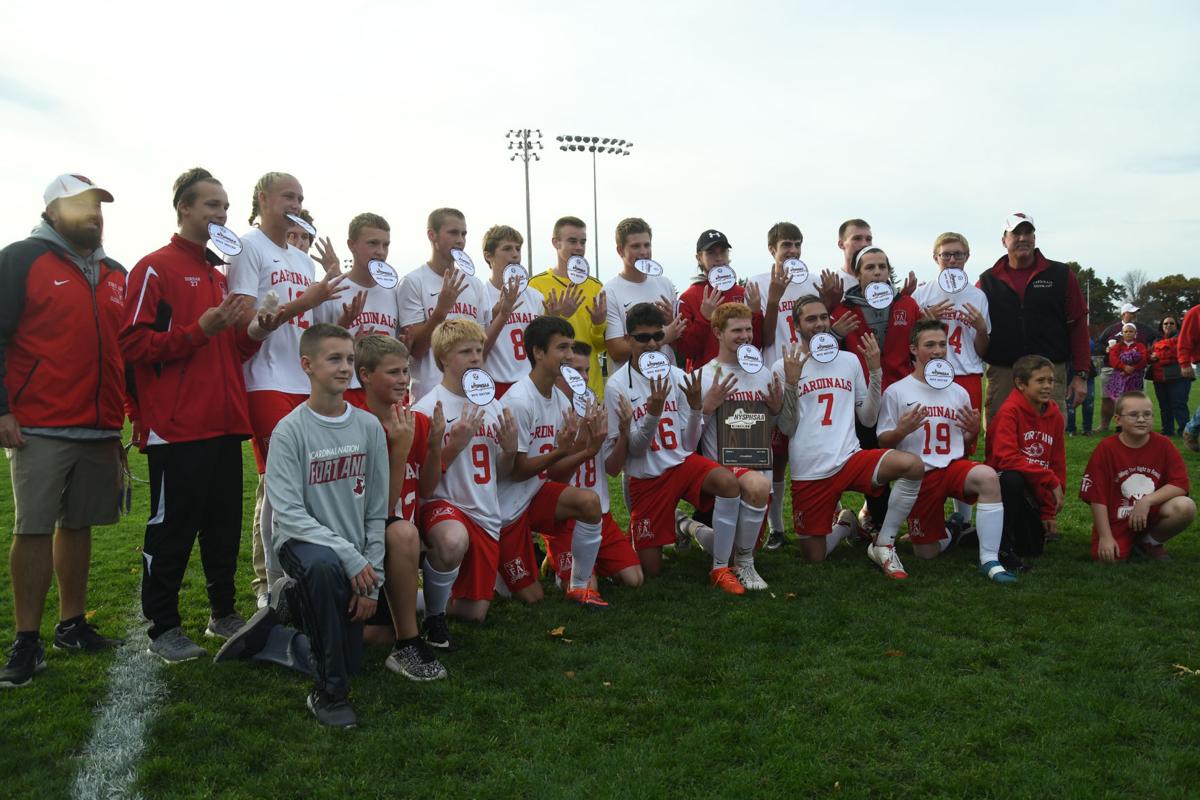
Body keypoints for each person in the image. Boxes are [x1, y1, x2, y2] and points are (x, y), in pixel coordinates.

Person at [122, 168, 265, 662]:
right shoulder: (154, 268)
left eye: (225, 207)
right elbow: (132, 344)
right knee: (173, 528)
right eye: (211, 206)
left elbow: (231, 355)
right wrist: (197, 331)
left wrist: (254, 332)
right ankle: (163, 627)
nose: (221, 215)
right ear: (184, 209)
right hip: (178, 427)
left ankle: (222, 612)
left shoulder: (220, 276)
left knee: (223, 524)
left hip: (226, 422)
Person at [217, 323, 388, 728]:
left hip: (352, 552)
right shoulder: (289, 430)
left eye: (349, 359)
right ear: (307, 366)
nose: (345, 368)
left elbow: (377, 510)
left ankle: (278, 636)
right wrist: (349, 558)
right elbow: (290, 515)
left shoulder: (368, 427)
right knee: (326, 569)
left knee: (350, 660)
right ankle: (328, 695)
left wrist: (373, 578)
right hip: (302, 544)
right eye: (334, 359)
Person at [0, 174, 126, 687]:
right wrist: (2, 408)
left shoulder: (117, 272)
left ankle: (71, 624)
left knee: (78, 525)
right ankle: (25, 640)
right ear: (52, 212)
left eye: (98, 206)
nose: (93, 214)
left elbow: (126, 350)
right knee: (31, 527)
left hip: (100, 425)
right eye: (80, 206)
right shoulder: (21, 258)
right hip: (39, 424)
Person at [227, 172, 349, 608]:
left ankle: (297, 574)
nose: (296, 203)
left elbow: (316, 328)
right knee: (279, 484)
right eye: (287, 196)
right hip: (265, 381)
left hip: (302, 383)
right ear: (262, 198)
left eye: (300, 196)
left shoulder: (302, 261)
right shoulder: (247, 247)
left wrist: (339, 308)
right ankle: (271, 585)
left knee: (308, 483)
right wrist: (305, 302)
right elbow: (246, 328)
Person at [604, 302, 758, 593]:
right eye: (642, 337)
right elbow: (634, 451)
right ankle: (686, 525)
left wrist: (698, 408)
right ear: (628, 339)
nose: (651, 344)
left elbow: (688, 443)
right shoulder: (616, 386)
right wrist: (653, 414)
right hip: (647, 478)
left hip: (680, 464)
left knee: (727, 483)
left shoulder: (676, 375)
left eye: (657, 336)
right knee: (652, 570)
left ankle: (720, 568)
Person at [774, 296, 923, 578]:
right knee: (813, 557)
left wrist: (876, 370)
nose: (819, 324)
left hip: (849, 457)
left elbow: (867, 418)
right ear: (796, 327)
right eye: (810, 319)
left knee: (912, 466)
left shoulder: (849, 360)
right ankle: (845, 524)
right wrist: (792, 384)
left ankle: (884, 543)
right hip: (810, 469)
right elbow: (786, 428)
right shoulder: (783, 366)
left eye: (823, 317)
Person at [876, 320, 1015, 583]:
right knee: (926, 553)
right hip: (919, 476)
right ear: (914, 349)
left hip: (952, 468)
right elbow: (884, 442)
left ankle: (989, 559)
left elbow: (960, 439)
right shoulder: (896, 392)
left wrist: (973, 430)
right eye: (930, 345)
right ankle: (953, 528)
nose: (938, 350)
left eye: (942, 344)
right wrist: (901, 431)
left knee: (987, 476)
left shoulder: (958, 391)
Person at [411, 319, 517, 641]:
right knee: (453, 540)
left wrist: (510, 450)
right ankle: (433, 615)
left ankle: (408, 600)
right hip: (444, 506)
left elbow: (502, 471)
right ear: (443, 358)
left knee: (474, 614)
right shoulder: (428, 408)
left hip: (484, 512)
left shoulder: (492, 403)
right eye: (465, 351)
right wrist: (453, 445)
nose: (475, 358)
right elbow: (420, 485)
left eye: (479, 350)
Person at [350, 335, 446, 680]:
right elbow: (376, 511)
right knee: (376, 634)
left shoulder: (414, 420)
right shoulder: (355, 425)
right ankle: (310, 620)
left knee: (445, 536)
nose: (403, 379)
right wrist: (399, 451)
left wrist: (434, 448)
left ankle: (427, 615)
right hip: (366, 547)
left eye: (406, 371)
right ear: (364, 375)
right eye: (393, 372)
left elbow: (426, 487)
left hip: (403, 548)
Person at [497, 316, 611, 608]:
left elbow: (557, 475)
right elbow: (517, 471)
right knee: (530, 597)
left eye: (571, 347)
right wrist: (561, 451)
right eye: (562, 348)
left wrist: (588, 447)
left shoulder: (559, 399)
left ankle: (579, 586)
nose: (569, 356)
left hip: (535, 495)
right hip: (506, 510)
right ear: (538, 352)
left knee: (589, 502)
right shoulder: (520, 400)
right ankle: (495, 565)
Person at [751, 222, 844, 550]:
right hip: (778, 371)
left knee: (821, 444)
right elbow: (762, 338)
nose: (792, 251)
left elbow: (821, 324)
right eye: (786, 245)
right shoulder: (758, 283)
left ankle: (831, 515)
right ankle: (777, 527)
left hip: (815, 373)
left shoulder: (813, 280)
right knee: (776, 456)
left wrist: (832, 300)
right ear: (772, 249)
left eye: (796, 245)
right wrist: (773, 299)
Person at [832, 245, 920, 535]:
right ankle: (878, 519)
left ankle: (918, 519)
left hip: (901, 394)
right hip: (864, 397)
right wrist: (835, 333)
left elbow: (919, 346)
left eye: (882, 266)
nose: (878, 271)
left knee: (911, 456)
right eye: (870, 267)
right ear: (857, 274)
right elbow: (827, 353)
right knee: (873, 457)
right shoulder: (845, 310)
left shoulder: (907, 304)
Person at [542, 341, 644, 589]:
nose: (585, 377)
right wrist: (586, 445)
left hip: (599, 512)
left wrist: (623, 434)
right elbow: (555, 477)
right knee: (588, 587)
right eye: (577, 371)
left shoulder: (597, 408)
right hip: (565, 513)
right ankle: (559, 562)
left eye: (587, 370)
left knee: (635, 579)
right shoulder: (549, 412)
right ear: (560, 373)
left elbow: (611, 469)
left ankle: (589, 560)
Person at [977, 213, 1090, 422]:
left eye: (1028, 232)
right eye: (1016, 233)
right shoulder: (987, 280)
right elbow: (971, 323)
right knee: (999, 433)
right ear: (1004, 240)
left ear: (1035, 238)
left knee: (1048, 437)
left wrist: (1081, 374)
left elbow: (1079, 324)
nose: (1022, 238)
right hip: (1003, 372)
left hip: (1050, 371)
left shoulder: (1061, 274)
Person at [694, 303, 776, 589]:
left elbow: (776, 427)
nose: (745, 336)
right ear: (717, 332)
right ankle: (745, 565)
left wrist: (776, 409)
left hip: (757, 463)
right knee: (756, 489)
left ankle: (688, 525)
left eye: (749, 329)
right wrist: (706, 407)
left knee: (731, 547)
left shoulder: (763, 373)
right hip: (725, 467)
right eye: (737, 330)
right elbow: (689, 438)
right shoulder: (704, 376)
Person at [1081, 391, 1195, 562]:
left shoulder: (1164, 445)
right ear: (1118, 419)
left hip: (1150, 513)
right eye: (1134, 415)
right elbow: (1097, 497)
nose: (1141, 419)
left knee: (1186, 506)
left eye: (1147, 414)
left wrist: (1146, 501)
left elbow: (1180, 484)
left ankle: (1149, 542)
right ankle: (1125, 540)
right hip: (1118, 517)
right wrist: (1105, 537)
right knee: (1109, 559)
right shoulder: (1106, 449)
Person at [396, 208, 488, 402]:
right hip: (429, 394)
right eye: (453, 233)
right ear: (432, 235)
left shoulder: (475, 284)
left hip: (471, 391)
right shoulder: (413, 281)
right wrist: (441, 311)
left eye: (464, 234)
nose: (460, 240)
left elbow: (482, 347)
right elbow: (416, 350)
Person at [985, 355, 1066, 568]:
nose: (1048, 386)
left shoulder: (1055, 416)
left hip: (1036, 488)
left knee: (1032, 549)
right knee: (1012, 478)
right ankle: (1001, 546)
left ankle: (980, 534)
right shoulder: (1009, 412)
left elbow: (1057, 463)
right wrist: (1050, 480)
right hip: (1005, 486)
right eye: (1040, 381)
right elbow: (1006, 459)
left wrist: (1049, 511)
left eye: (1050, 380)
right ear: (1021, 384)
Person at [313, 213, 403, 406]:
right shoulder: (333, 289)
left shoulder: (394, 293)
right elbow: (315, 349)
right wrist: (346, 335)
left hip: (387, 391)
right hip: (346, 390)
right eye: (372, 243)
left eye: (385, 245)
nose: (380, 251)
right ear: (351, 245)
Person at [528, 216, 608, 400]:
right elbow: (533, 342)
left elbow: (601, 346)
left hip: (590, 385)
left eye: (583, 241)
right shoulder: (536, 285)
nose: (579, 247)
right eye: (572, 241)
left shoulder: (596, 287)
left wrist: (598, 324)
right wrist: (558, 317)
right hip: (552, 388)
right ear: (556, 242)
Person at [479, 225, 560, 398]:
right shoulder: (481, 295)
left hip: (530, 384)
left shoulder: (535, 297)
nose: (515, 254)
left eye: (518, 248)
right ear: (488, 255)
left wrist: (557, 319)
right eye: (507, 248)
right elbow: (479, 350)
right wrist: (499, 316)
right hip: (496, 384)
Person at [675, 229, 763, 371]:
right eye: (711, 253)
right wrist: (704, 319)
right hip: (706, 379)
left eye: (723, 252)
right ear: (699, 258)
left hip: (743, 375)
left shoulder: (743, 292)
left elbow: (757, 345)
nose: (718, 258)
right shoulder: (688, 297)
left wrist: (756, 314)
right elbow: (687, 350)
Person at [601, 218, 684, 367]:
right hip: (631, 384)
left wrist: (670, 321)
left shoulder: (665, 284)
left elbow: (680, 341)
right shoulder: (610, 291)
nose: (644, 252)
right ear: (620, 250)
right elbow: (617, 351)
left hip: (668, 378)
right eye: (636, 246)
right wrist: (663, 337)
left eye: (647, 245)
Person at [1097, 303, 1157, 432]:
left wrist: (1153, 350)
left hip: (1136, 373)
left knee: (1136, 398)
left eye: (1135, 312)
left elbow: (1157, 338)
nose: (1134, 315)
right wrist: (1106, 350)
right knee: (1108, 398)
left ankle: (1135, 424)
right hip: (1111, 369)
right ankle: (1104, 425)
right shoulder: (1112, 329)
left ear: (1134, 333)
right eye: (1131, 312)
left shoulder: (1144, 329)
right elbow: (1099, 343)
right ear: (1123, 314)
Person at [1149, 316, 1192, 437]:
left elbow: (1176, 352)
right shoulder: (1155, 339)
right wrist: (1155, 354)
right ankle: (1167, 431)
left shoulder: (1182, 338)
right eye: (1165, 323)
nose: (1168, 325)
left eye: (1171, 323)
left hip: (1178, 377)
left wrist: (1157, 353)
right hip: (1159, 378)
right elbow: (1150, 355)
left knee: (1179, 404)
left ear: (1177, 325)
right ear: (1161, 326)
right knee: (1164, 406)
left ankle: (1185, 431)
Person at [1104, 323, 1148, 401]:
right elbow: (1113, 359)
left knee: (1135, 401)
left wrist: (1133, 368)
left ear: (1135, 333)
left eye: (1131, 331)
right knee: (1120, 403)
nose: (1128, 333)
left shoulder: (1140, 346)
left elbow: (1144, 360)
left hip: (1136, 380)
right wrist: (1124, 367)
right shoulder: (1116, 346)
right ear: (1122, 333)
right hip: (1120, 379)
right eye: (1126, 331)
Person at [1178, 302, 1200, 450]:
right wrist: (1184, 363)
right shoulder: (1196, 313)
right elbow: (1185, 339)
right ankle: (1191, 429)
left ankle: (1191, 429)